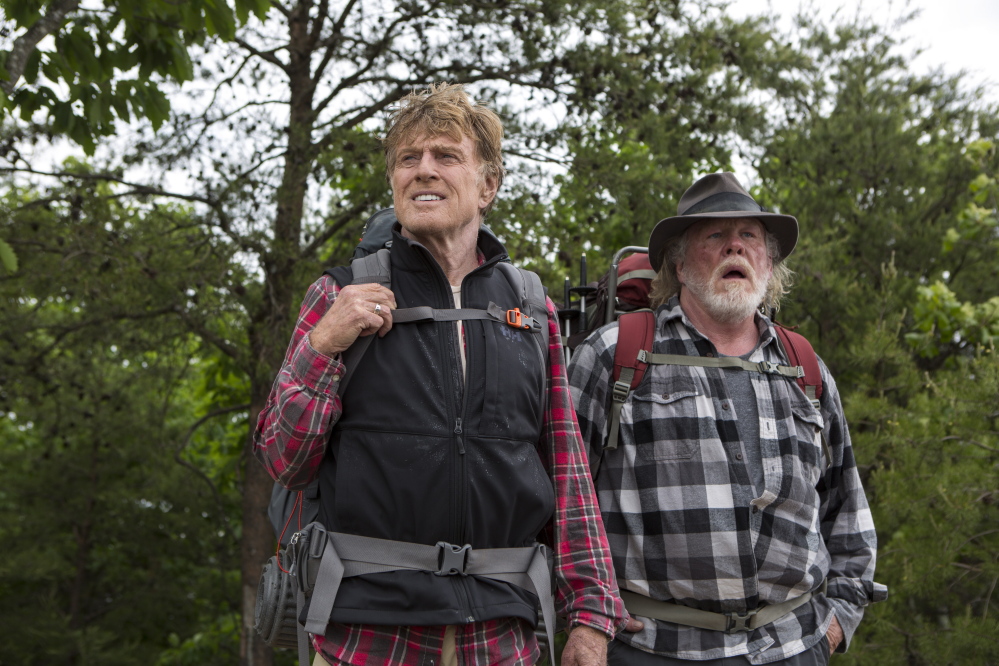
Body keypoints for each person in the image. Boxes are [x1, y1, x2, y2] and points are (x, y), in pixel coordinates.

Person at [254, 83, 627, 666]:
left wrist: (591, 613)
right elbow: (283, 459)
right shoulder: (338, 294)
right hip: (365, 633)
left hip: (501, 635)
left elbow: (568, 472)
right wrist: (323, 345)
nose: (423, 171)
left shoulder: (531, 309)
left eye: (445, 156)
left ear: (488, 186)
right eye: (409, 159)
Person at [568, 172, 886, 665]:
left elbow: (846, 507)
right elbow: (563, 501)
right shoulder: (615, 354)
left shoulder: (804, 365)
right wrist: (584, 618)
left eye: (750, 236)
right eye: (715, 235)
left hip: (793, 647)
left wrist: (837, 621)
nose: (734, 246)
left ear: (768, 260)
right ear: (678, 259)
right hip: (653, 648)